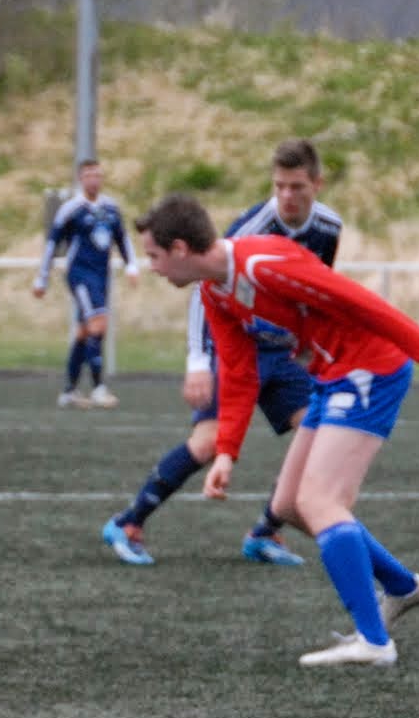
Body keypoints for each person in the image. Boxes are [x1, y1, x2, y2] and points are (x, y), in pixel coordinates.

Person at [138, 193, 419, 667]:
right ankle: (402, 586)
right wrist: (226, 452)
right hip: (332, 375)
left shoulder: (262, 264)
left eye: (153, 255)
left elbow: (359, 301)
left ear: (179, 249)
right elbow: (237, 370)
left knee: (320, 501)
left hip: (369, 367)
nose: (151, 267)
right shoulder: (215, 291)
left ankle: (374, 642)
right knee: (289, 507)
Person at [103, 139, 343, 566]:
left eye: (296, 187)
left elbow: (314, 287)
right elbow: (205, 287)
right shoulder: (253, 226)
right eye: (279, 186)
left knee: (318, 433)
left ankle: (264, 532)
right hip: (234, 346)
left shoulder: (328, 227)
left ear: (317, 184)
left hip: (280, 352)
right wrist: (198, 360)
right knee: (209, 443)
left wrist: (310, 346)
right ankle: (128, 523)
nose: (286, 196)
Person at [33, 158, 135, 408]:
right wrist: (42, 277)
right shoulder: (71, 209)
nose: (93, 180)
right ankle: (99, 388)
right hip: (79, 274)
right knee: (99, 324)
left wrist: (131, 265)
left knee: (85, 332)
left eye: (97, 175)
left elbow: (122, 239)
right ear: (80, 179)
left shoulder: (111, 207)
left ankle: (69, 391)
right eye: (88, 175)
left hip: (101, 276)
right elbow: (52, 242)